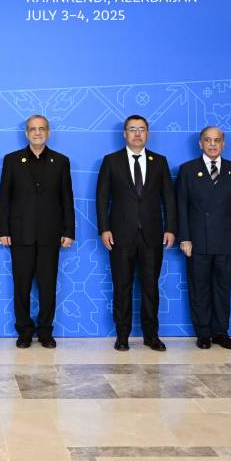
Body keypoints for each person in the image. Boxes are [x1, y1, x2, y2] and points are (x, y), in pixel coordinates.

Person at [96, 114, 176, 352]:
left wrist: (171, 228)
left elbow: (169, 198)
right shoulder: (111, 161)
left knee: (151, 287)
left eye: (142, 129)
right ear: (124, 134)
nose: (137, 133)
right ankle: (122, 336)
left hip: (152, 234)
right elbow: (102, 198)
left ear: (147, 134)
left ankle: (151, 336)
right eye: (132, 129)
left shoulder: (159, 161)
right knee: (122, 287)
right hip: (120, 235)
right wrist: (104, 229)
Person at [0, 115, 74, 348]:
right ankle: (24, 331)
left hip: (51, 235)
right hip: (20, 233)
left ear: (48, 132)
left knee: (48, 287)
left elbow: (67, 199)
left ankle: (45, 331)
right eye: (33, 129)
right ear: (26, 133)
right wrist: (3, 230)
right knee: (21, 286)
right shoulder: (12, 160)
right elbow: (4, 198)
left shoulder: (61, 161)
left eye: (41, 129)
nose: (37, 133)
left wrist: (69, 231)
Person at [175, 126, 231, 350]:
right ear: (200, 143)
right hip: (197, 240)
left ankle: (221, 333)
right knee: (200, 289)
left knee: (223, 289)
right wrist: (184, 238)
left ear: (223, 143)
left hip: (226, 240)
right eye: (208, 140)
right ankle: (203, 333)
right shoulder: (187, 170)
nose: (213, 144)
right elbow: (181, 207)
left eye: (217, 140)